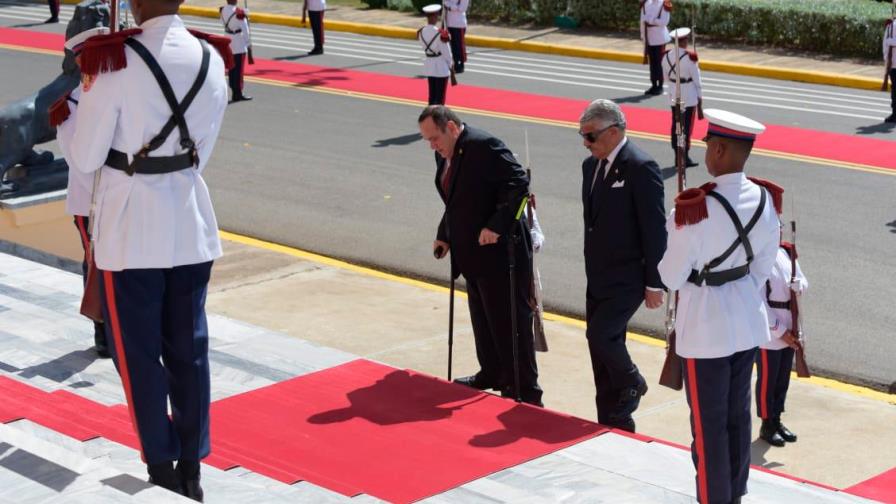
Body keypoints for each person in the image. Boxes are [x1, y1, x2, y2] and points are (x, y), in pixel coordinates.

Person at [69, 0, 230, 499]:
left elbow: (84, 155)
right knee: (190, 351)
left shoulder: (115, 62)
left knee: (138, 354)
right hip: (188, 221)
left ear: (136, 5)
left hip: (131, 229)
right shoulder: (212, 57)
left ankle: (161, 467)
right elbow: (204, 148)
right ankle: (192, 465)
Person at [658, 109, 782, 504]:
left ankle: (715, 499)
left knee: (709, 426)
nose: (707, 153)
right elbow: (763, 267)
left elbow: (670, 277)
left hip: (705, 330)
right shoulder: (765, 198)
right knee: (736, 417)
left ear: (720, 149)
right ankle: (733, 494)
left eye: (709, 146)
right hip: (746, 324)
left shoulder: (692, 208)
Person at [419, 105, 543, 406]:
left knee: (508, 324)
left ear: (451, 127)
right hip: (470, 252)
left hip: (501, 253)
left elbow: (519, 185)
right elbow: (456, 202)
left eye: (434, 138)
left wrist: (495, 226)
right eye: (428, 141)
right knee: (483, 319)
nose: (432, 146)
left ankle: (524, 389)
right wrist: (444, 234)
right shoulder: (446, 152)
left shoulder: (483, 146)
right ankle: (492, 372)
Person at [577, 99, 666, 432]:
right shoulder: (590, 167)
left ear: (613, 132)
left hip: (629, 275)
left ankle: (633, 381)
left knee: (602, 336)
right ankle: (614, 420)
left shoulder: (640, 167)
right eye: (582, 136)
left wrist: (655, 282)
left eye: (591, 136)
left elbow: (654, 228)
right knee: (599, 351)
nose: (586, 143)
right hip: (598, 275)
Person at [51, 27, 111, 358]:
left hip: (120, 197)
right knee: (96, 263)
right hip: (89, 201)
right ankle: (102, 329)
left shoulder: (119, 96)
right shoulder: (70, 106)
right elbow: (83, 162)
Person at [756, 233, 807, 447]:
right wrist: (779, 330)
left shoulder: (786, 252)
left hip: (790, 320)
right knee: (768, 379)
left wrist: (799, 285)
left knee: (782, 378)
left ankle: (777, 419)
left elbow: (804, 280)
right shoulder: (757, 257)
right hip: (771, 329)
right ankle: (766, 423)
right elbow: (758, 301)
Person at [662, 27, 702, 168]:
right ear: (684, 41)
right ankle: (684, 156)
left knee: (676, 126)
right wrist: (700, 98)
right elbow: (697, 81)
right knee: (686, 127)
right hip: (689, 95)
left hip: (674, 93)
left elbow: (666, 77)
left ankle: (676, 156)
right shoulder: (690, 58)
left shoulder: (666, 56)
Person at [418, 4, 453, 105]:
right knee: (440, 99)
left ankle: (431, 118)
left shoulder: (421, 32)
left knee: (432, 97)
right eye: (437, 15)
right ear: (435, 16)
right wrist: (451, 65)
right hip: (441, 68)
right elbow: (447, 53)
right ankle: (438, 119)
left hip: (429, 66)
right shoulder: (440, 33)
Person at [220, 0, 252, 102]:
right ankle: (238, 93)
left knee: (232, 69)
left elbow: (222, 22)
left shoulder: (223, 10)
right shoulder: (239, 13)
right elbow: (245, 30)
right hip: (238, 44)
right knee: (239, 70)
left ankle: (234, 92)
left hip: (228, 42)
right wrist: (248, 44)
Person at [639, 0, 671, 95]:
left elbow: (664, 21)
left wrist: (650, 20)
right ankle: (653, 85)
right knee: (652, 63)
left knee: (659, 63)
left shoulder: (664, 3)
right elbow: (642, 21)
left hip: (659, 38)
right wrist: (642, 35)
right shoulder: (646, 3)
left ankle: (660, 86)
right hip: (649, 37)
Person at [445, 0, 469, 73]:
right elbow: (444, 3)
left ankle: (460, 64)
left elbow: (462, 8)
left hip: (459, 23)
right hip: (449, 22)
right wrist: (455, 6)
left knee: (459, 46)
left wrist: (450, 7)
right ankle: (455, 62)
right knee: (452, 45)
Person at [884, 13, 896, 123]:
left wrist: (890, 41)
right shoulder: (891, 25)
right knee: (894, 90)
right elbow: (885, 44)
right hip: (893, 64)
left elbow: (887, 42)